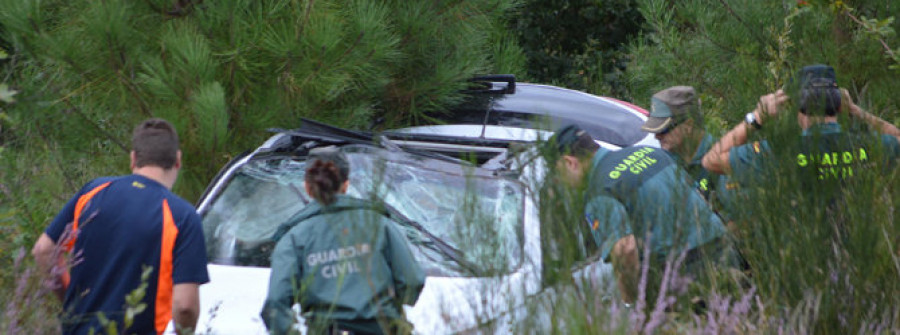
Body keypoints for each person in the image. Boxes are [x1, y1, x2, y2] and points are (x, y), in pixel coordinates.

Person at [31, 118, 210, 335]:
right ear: (178, 160)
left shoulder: (93, 191)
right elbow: (185, 307)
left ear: (133, 159)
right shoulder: (182, 216)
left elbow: (44, 250)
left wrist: (73, 304)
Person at [551, 124, 735, 306]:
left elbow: (625, 249)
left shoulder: (599, 190)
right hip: (726, 254)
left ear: (570, 162)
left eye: (558, 174)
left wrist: (632, 304)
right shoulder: (650, 153)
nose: (561, 182)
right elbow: (699, 196)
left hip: (688, 277)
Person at [260, 147, 426, 335]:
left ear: (307, 187)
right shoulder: (379, 224)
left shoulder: (293, 238)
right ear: (346, 185)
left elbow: (275, 304)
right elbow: (412, 280)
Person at [701, 64, 900, 181]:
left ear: (797, 104)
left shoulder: (778, 153)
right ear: (839, 103)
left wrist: (756, 117)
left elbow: (711, 160)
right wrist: (857, 111)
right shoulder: (871, 145)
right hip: (865, 251)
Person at [640, 86, 739, 214]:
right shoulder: (666, 160)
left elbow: (740, 221)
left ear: (688, 125)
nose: (656, 136)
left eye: (663, 130)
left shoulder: (722, 159)